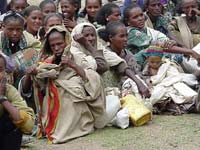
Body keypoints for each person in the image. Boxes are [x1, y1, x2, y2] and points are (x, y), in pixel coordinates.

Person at [25, 25, 105, 143]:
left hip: (75, 99)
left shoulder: (78, 57)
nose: (56, 48)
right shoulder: (47, 61)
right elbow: (40, 86)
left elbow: (93, 78)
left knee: (66, 92)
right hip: (52, 100)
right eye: (53, 45)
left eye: (60, 44)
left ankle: (69, 129)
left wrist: (72, 65)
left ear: (67, 41)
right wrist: (35, 73)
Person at [123, 4, 200, 67]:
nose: (140, 18)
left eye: (141, 15)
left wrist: (172, 41)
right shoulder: (131, 32)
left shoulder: (147, 30)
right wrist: (190, 52)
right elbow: (158, 45)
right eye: (135, 17)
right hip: (142, 64)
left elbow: (164, 40)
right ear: (128, 21)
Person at [98, 21, 150, 98]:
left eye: (126, 36)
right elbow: (122, 68)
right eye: (121, 36)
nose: (125, 39)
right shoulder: (106, 54)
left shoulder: (128, 54)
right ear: (111, 38)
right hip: (112, 92)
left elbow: (136, 73)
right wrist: (139, 84)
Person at [142, 45, 199, 114]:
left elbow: (174, 76)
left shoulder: (166, 65)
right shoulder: (146, 69)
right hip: (158, 88)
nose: (155, 64)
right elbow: (145, 79)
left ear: (161, 59)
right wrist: (149, 82)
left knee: (181, 86)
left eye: (157, 62)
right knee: (156, 94)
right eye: (152, 62)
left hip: (171, 84)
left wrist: (168, 82)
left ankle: (194, 100)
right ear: (147, 59)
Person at [0, 54, 35, 150]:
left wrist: (3, 98)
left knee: (13, 117)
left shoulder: (8, 90)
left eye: (0, 70)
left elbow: (29, 126)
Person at [0, 11, 41, 87]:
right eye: (10, 29)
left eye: (18, 29)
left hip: (24, 77)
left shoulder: (29, 39)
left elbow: (39, 51)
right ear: (3, 26)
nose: (15, 33)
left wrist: (15, 62)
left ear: (23, 28)